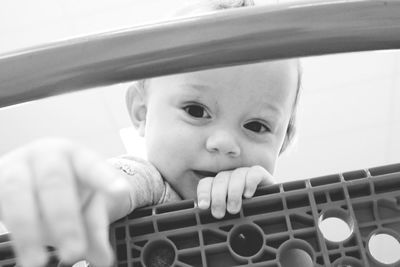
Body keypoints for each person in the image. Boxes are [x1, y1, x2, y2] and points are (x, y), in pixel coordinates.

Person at [0, 1, 301, 267]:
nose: (224, 143)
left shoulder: (263, 209)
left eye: (257, 126)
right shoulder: (151, 186)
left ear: (283, 140)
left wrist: (274, 216)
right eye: (196, 111)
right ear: (142, 112)